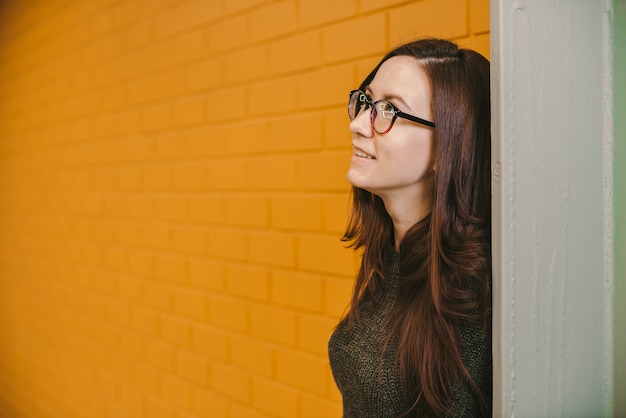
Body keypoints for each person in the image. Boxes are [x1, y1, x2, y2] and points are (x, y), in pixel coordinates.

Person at [328, 38, 492, 417]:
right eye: (366, 101)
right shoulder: (392, 256)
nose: (357, 124)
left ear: (447, 146)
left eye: (388, 110)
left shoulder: (466, 296)